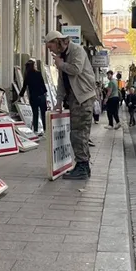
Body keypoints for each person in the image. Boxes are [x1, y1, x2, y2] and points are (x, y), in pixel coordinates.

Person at [45, 30, 95, 179]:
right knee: (77, 133)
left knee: (79, 133)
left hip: (83, 97)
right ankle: (82, 165)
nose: (50, 50)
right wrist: (59, 101)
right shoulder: (62, 56)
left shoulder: (76, 50)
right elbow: (61, 81)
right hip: (74, 98)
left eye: (50, 47)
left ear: (57, 42)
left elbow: (75, 70)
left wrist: (61, 64)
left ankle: (82, 166)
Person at [19, 60, 48, 134]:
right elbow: (42, 84)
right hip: (41, 96)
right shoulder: (38, 73)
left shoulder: (27, 75)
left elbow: (24, 87)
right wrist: (45, 94)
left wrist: (19, 96)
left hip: (33, 97)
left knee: (35, 114)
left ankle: (35, 130)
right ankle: (45, 130)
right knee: (43, 114)